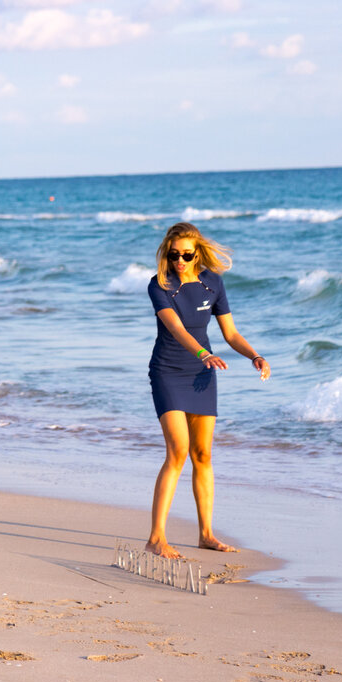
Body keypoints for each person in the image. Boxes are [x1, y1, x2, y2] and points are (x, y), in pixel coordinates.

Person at [145, 222, 270, 559]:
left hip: (203, 373)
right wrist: (203, 352)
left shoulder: (212, 283)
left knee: (203, 455)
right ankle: (157, 538)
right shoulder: (160, 285)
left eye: (187, 254)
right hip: (169, 371)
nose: (180, 260)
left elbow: (229, 332)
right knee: (178, 451)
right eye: (174, 255)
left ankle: (206, 534)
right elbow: (175, 326)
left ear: (197, 252)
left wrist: (254, 355)